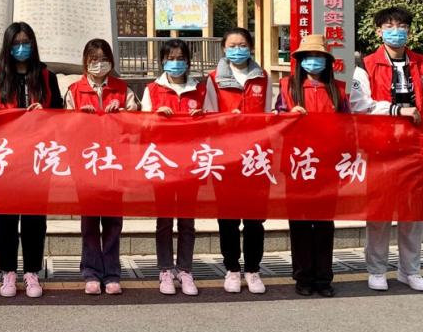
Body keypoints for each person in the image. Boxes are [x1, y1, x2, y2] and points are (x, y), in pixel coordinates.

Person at [351, 7, 423, 293]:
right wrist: (395, 109)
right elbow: (358, 104)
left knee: (412, 213)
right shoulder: (365, 65)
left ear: (409, 31)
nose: (396, 31)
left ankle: (410, 270)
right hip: (379, 148)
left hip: (414, 148)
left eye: (402, 26)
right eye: (389, 26)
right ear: (378, 31)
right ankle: (377, 270)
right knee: (379, 213)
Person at [0, 22, 64, 299]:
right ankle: (7, 271)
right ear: (8, 46)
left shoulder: (45, 76)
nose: (21, 47)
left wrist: (45, 112)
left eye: (26, 42)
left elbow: (60, 114)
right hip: (5, 158)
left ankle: (32, 271)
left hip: (37, 158)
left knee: (34, 217)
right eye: (16, 43)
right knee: (6, 217)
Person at [140, 38, 217, 296]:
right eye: (170, 58)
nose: (176, 63)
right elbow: (141, 126)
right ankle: (164, 269)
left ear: (188, 61)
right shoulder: (152, 90)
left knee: (186, 221)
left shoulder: (200, 90)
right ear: (162, 61)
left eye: (180, 58)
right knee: (164, 221)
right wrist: (155, 118)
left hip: (190, 164)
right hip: (162, 164)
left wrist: (202, 120)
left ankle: (185, 269)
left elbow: (213, 124)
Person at [275, 34, 349, 297]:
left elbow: (349, 126)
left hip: (328, 164)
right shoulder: (287, 87)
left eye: (318, 57)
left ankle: (323, 277)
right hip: (297, 164)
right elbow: (274, 121)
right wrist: (288, 115)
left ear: (327, 61)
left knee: (325, 223)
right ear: (300, 60)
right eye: (308, 57)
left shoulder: (338, 89)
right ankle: (303, 276)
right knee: (300, 222)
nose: (313, 61)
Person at [66, 38, 139, 295]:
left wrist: (123, 113)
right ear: (85, 62)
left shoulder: (122, 89)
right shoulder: (74, 90)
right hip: (86, 164)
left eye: (103, 59)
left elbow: (138, 121)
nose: (99, 64)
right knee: (89, 221)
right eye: (94, 60)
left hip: (114, 163)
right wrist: (79, 118)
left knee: (112, 221)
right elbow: (64, 126)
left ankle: (112, 273)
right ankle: (91, 272)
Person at [208, 27, 272, 295]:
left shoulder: (262, 77)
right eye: (232, 45)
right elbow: (208, 117)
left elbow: (269, 115)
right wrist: (226, 121)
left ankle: (253, 270)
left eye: (242, 45)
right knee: (228, 218)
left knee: (255, 219)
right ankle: (232, 268)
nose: (237, 50)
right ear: (224, 49)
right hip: (226, 158)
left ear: (251, 47)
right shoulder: (214, 79)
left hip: (256, 157)